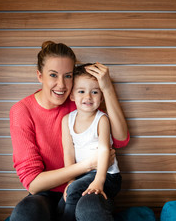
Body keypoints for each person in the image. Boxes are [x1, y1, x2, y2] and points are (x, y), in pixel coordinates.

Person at [9, 41, 129, 221]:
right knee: (25, 212)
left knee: (89, 209)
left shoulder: (81, 98)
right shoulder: (22, 111)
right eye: (53, 75)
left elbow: (120, 139)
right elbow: (33, 184)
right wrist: (88, 164)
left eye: (68, 76)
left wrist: (106, 87)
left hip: (86, 187)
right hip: (47, 193)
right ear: (39, 76)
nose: (61, 85)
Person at [60, 63, 122, 221]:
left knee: (73, 193)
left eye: (94, 92)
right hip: (82, 175)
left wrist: (99, 181)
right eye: (81, 91)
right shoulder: (67, 120)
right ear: (72, 95)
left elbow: (104, 150)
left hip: (107, 175)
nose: (88, 97)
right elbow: (68, 151)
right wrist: (70, 180)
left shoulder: (102, 119)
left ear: (101, 97)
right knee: (63, 201)